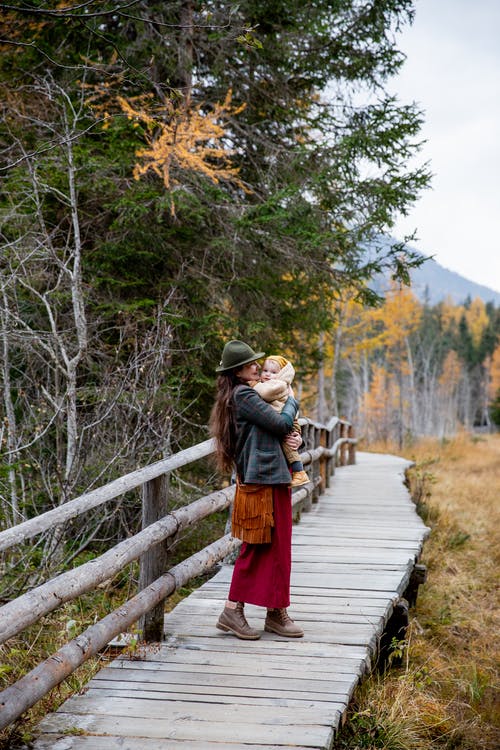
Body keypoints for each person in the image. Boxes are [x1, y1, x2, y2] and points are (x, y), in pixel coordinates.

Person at [209, 339, 304, 640]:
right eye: (252, 364)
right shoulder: (243, 396)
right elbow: (279, 423)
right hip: (260, 479)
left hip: (274, 476)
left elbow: (280, 431)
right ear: (238, 371)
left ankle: (276, 611)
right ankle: (232, 609)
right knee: (256, 546)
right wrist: (293, 400)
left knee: (279, 547)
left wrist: (298, 442)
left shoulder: (251, 395)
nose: (257, 367)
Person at [254, 355, 310, 487]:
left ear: (282, 374)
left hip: (283, 421)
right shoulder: (270, 385)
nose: (268, 374)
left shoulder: (277, 385)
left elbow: (264, 393)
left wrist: (253, 385)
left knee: (288, 444)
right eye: (265, 370)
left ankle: (299, 471)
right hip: (281, 422)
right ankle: (298, 471)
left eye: (273, 372)